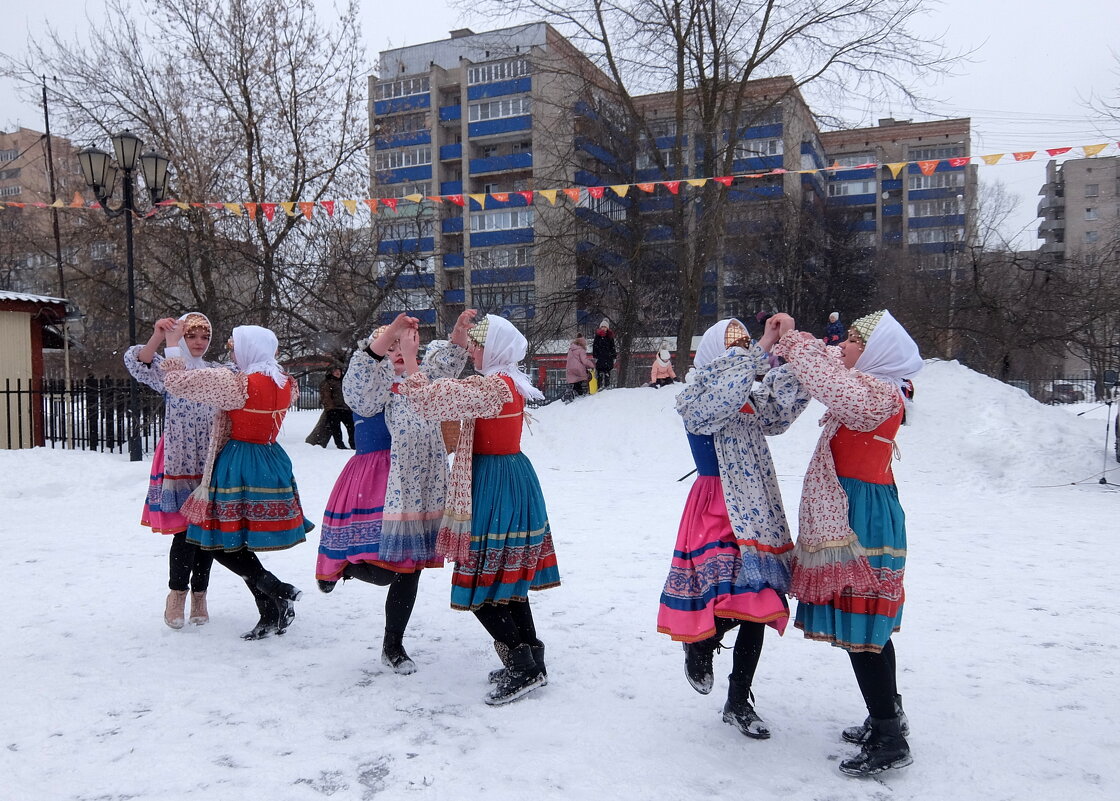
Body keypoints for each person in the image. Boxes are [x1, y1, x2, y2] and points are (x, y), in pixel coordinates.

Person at [771, 309, 923, 776]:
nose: (844, 346)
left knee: (863, 633)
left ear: (876, 352)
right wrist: (788, 337)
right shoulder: (879, 383)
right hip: (858, 508)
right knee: (868, 627)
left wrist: (794, 340)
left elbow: (827, 378)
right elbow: (832, 360)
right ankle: (888, 715)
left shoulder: (876, 394)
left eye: (854, 341)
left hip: (861, 517)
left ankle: (889, 736)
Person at [657, 315, 809, 739]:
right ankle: (700, 644)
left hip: (755, 506)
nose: (740, 353)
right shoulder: (696, 396)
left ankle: (738, 700)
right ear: (711, 355)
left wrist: (793, 353)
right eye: (732, 346)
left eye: (742, 346)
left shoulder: (746, 393)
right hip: (714, 509)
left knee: (759, 605)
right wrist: (759, 345)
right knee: (727, 597)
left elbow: (780, 414)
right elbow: (724, 392)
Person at [399, 313, 560, 705]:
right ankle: (530, 658)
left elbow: (430, 401)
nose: (472, 350)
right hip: (512, 477)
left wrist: (411, 361)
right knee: (507, 579)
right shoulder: (510, 382)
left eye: (477, 344)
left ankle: (522, 663)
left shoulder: (491, 387)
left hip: (492, 484)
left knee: (479, 582)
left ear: (494, 349)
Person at [315, 311, 472, 674]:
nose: (399, 351)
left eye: (405, 345)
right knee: (387, 570)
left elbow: (446, 366)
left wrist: (459, 334)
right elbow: (362, 385)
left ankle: (393, 645)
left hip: (418, 483)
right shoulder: (370, 383)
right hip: (375, 483)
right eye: (392, 346)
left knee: (409, 568)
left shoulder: (422, 378)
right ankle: (344, 567)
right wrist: (390, 335)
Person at [161, 324, 312, 641]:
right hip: (271, 461)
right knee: (237, 540)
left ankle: (273, 588)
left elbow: (174, 382)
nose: (232, 352)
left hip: (237, 463)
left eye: (236, 347)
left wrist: (173, 346)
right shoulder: (288, 383)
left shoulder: (236, 384)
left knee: (218, 539)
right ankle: (270, 610)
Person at [125, 313, 219, 629]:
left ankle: (200, 595)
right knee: (184, 532)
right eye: (192, 336)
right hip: (179, 458)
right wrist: (159, 336)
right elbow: (138, 362)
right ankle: (176, 595)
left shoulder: (217, 371)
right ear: (181, 339)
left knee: (205, 532)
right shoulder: (170, 369)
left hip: (209, 459)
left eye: (204, 337)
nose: (198, 343)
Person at [308, 366, 354, 449]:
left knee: (351, 427)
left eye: (339, 370)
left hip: (345, 408)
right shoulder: (327, 383)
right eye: (335, 371)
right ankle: (340, 444)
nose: (338, 373)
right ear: (331, 372)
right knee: (336, 429)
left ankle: (353, 444)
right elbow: (326, 397)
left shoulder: (344, 381)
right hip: (334, 409)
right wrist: (330, 408)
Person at [564, 334, 597, 401]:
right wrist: (592, 365)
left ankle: (572, 392)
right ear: (583, 343)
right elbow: (584, 361)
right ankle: (580, 394)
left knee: (574, 380)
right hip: (578, 369)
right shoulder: (581, 350)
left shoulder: (571, 349)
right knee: (581, 379)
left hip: (569, 368)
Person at [592, 318, 617, 389]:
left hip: (608, 357)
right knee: (599, 372)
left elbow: (613, 347)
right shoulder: (597, 336)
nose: (603, 328)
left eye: (605, 327)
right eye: (602, 327)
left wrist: (614, 356)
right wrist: (595, 356)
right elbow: (595, 347)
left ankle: (607, 385)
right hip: (600, 357)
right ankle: (599, 386)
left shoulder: (610, 336)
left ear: (607, 328)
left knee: (607, 372)